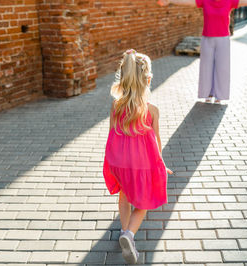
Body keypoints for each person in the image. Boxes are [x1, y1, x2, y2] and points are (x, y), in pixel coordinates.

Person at [103, 49, 173, 264]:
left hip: (118, 162)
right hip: (141, 164)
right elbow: (157, 141)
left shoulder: (116, 106)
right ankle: (129, 234)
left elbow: (111, 133)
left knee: (124, 197)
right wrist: (161, 164)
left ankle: (124, 230)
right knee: (142, 201)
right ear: (148, 79)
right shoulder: (151, 110)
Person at [158, 0, 247, 104]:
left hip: (223, 39)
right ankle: (207, 94)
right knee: (206, 67)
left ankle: (219, 95)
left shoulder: (229, 1)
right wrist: (169, 0)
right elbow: (187, 1)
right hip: (207, 38)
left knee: (222, 68)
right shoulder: (205, 1)